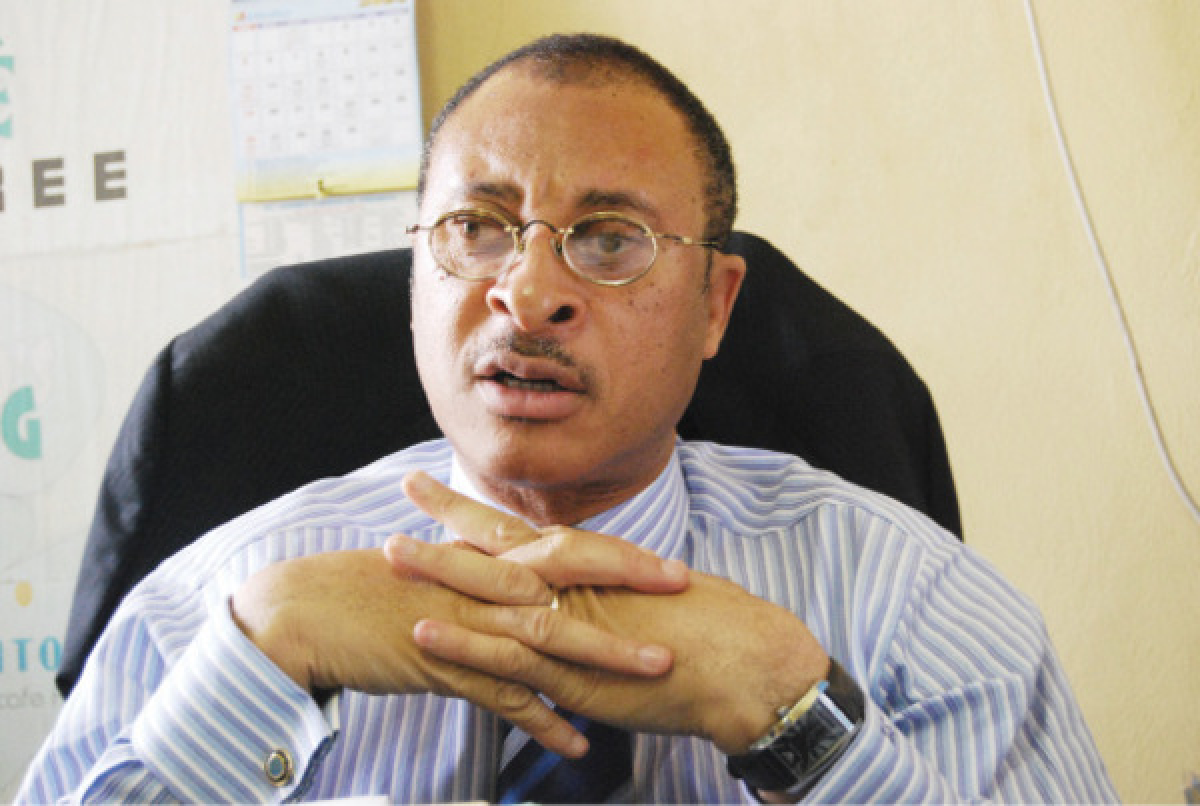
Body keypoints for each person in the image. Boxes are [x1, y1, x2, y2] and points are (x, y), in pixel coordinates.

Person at [19, 33, 1115, 804]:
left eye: (609, 239)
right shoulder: (204, 608)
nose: (529, 292)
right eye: (477, 228)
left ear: (715, 305)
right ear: (417, 278)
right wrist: (263, 657)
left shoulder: (920, 606)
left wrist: (801, 717)